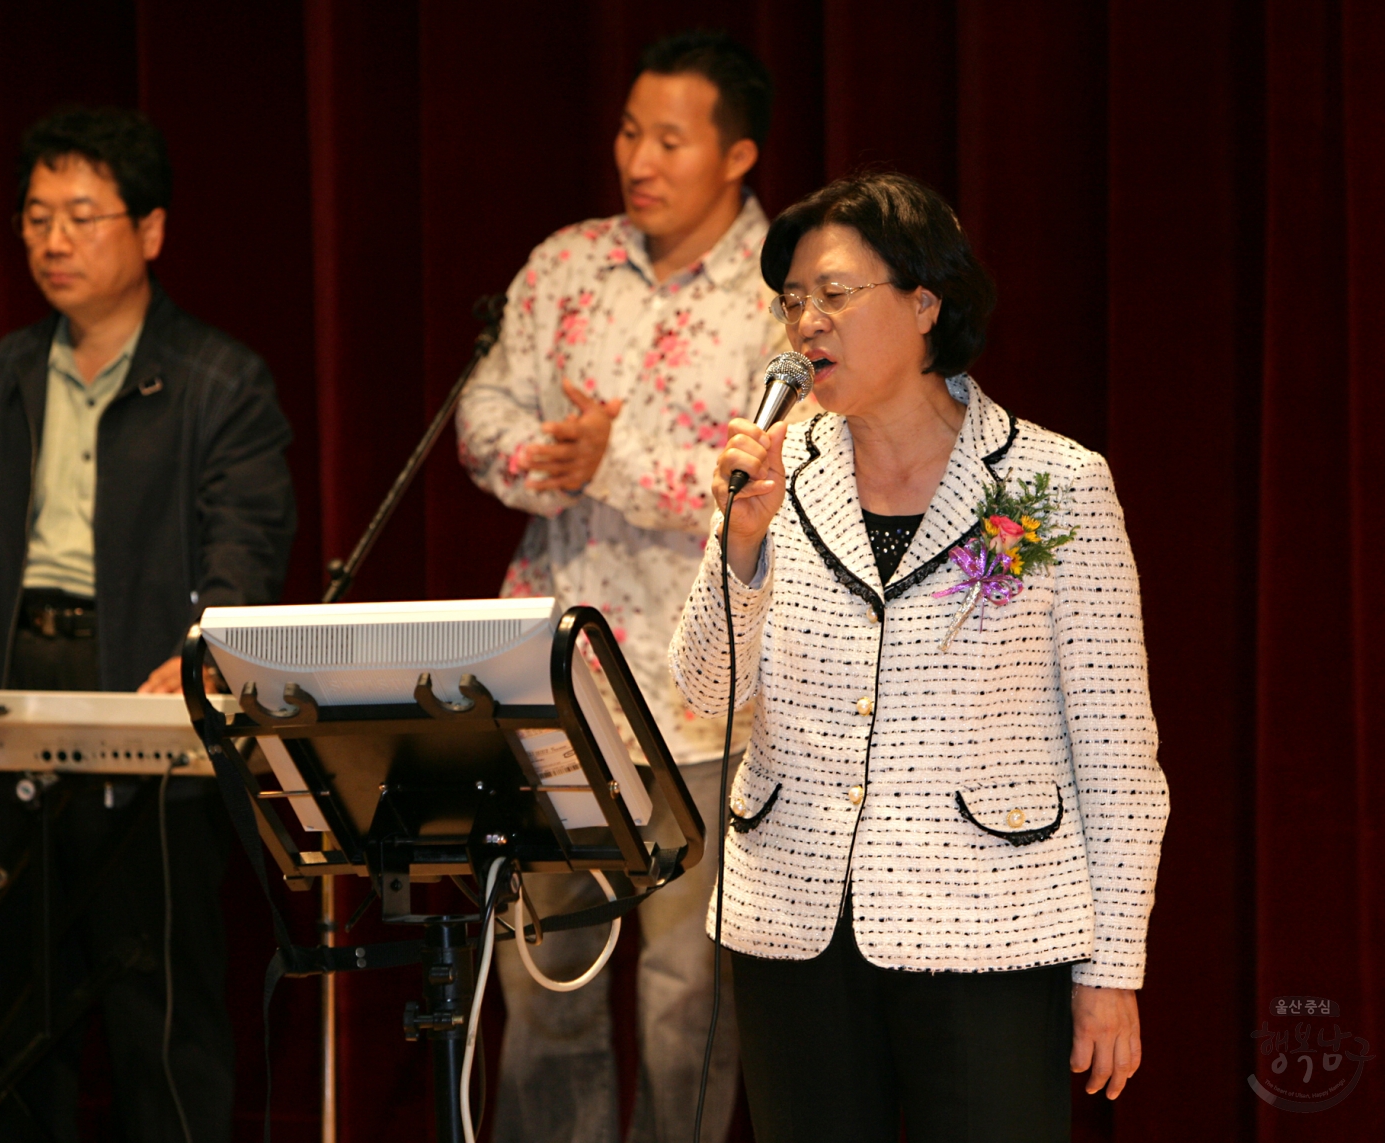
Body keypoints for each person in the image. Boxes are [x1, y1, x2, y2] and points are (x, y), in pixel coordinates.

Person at [668, 171, 1170, 1143]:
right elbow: (705, 689)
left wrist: (1111, 971)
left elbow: (1116, 752)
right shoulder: (778, 475)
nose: (806, 322)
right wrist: (741, 547)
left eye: (835, 294)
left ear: (924, 304)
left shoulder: (1054, 484)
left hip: (989, 921)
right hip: (794, 916)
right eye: (792, 300)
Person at [0, 107, 296, 1143]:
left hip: (144, 690)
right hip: (11, 682)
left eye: (80, 216)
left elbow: (244, 552)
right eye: (34, 217)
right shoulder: (4, 377)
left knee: (157, 1001)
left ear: (150, 231)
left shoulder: (221, 380)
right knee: (10, 1006)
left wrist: (198, 650)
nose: (52, 241)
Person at [455, 30, 790, 1143]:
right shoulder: (565, 264)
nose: (638, 158)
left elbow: (787, 467)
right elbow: (481, 409)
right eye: (628, 132)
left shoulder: (780, 291)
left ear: (736, 155)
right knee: (542, 971)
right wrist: (536, 459)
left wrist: (621, 466)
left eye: (669, 139)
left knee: (685, 988)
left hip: (701, 683)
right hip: (551, 673)